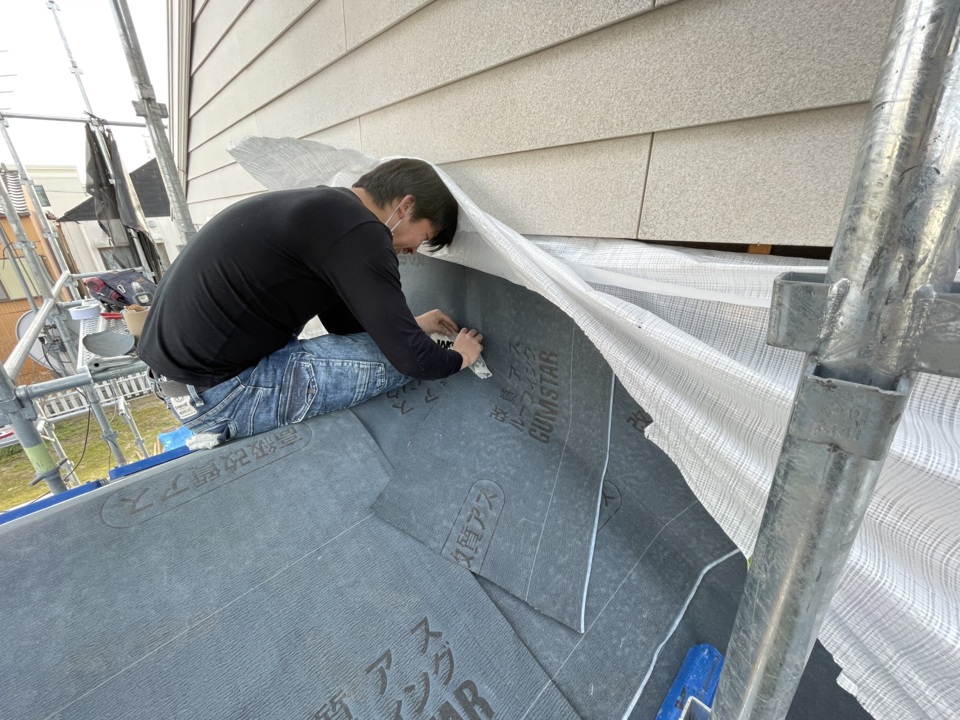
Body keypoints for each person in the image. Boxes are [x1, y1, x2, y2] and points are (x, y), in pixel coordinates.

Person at [137, 159, 483, 443]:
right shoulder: (360, 232)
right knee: (392, 361)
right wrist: (459, 357)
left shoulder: (326, 212)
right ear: (406, 206)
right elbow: (413, 361)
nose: (414, 250)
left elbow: (345, 325)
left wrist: (415, 325)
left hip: (188, 385)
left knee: (384, 348)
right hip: (225, 396)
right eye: (424, 236)